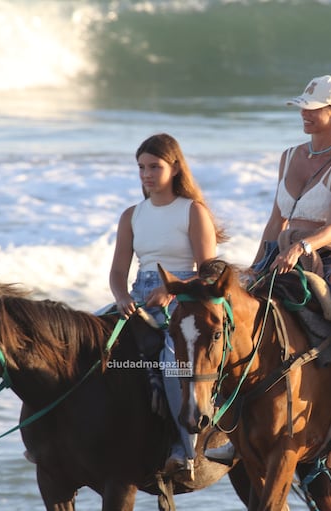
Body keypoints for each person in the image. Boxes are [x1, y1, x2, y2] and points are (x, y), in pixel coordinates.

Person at [204, 74, 331, 464]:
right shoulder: (289, 155)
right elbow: (274, 219)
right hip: (282, 251)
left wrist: (301, 246)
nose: (305, 115)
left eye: (314, 109)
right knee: (236, 313)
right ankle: (232, 421)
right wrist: (256, 263)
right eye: (303, 107)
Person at [109, 133, 227, 476]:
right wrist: (120, 297)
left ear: (174, 168)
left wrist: (171, 290)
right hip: (138, 296)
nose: (146, 173)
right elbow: (117, 271)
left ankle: (186, 450)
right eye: (141, 167)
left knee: (172, 365)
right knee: (88, 346)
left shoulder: (192, 211)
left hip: (185, 300)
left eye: (154, 166)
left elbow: (209, 272)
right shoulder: (132, 214)